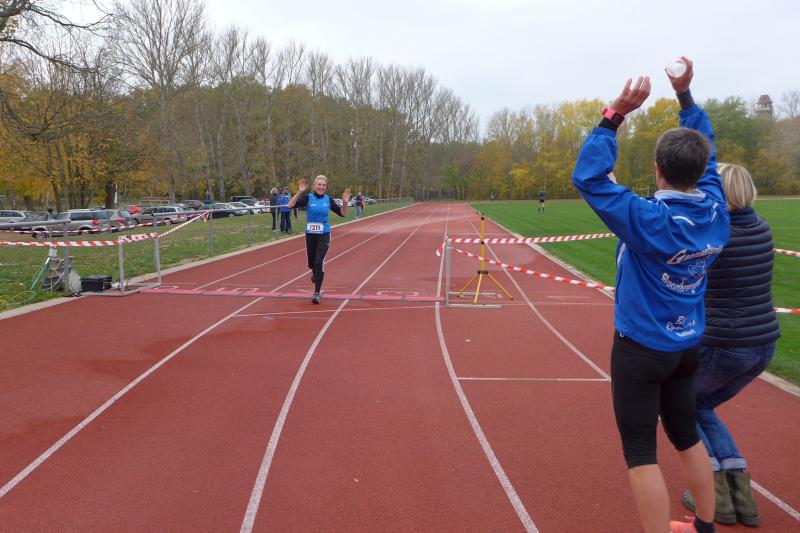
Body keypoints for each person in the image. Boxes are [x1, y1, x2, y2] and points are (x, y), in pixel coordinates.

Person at [572, 58, 730, 533]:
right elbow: (707, 152)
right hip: (686, 346)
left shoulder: (648, 220)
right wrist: (685, 96)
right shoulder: (716, 210)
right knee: (686, 436)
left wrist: (614, 115)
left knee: (640, 453)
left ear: (657, 169)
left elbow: (589, 178)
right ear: (702, 170)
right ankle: (704, 526)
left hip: (641, 350)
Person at [681, 164, 780, 527]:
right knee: (701, 405)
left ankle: (714, 493)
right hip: (763, 343)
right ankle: (740, 493)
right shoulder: (762, 228)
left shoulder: (716, 235)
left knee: (678, 406)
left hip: (726, 343)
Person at [286, 175, 350, 304]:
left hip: (324, 234)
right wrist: (299, 191)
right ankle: (315, 273)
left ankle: (316, 293)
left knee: (319, 262)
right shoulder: (308, 198)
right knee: (311, 263)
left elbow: (343, 214)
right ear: (315, 185)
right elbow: (290, 205)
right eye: (319, 184)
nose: (321, 187)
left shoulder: (328, 199)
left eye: (323, 185)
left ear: (326, 187)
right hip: (310, 234)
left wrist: (345, 202)